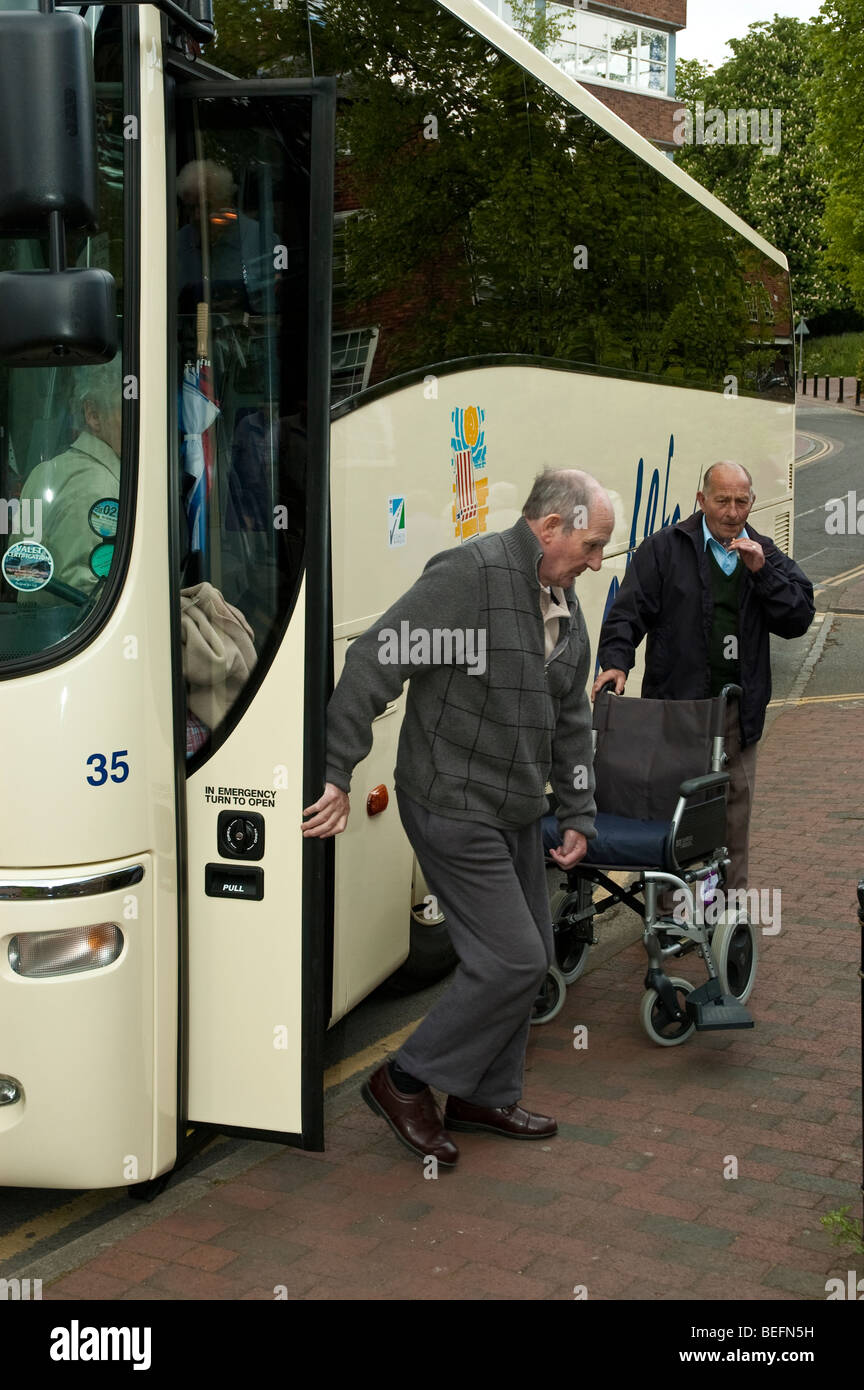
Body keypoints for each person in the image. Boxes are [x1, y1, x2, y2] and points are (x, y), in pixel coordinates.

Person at [303, 470, 614, 1166]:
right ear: (550, 526)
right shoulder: (470, 576)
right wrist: (337, 770)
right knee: (513, 957)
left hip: (515, 806)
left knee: (525, 956)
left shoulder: (562, 597)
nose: (597, 562)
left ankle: (480, 1094)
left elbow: (570, 719)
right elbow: (375, 659)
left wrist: (578, 811)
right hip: (449, 798)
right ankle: (403, 1079)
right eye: (591, 545)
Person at [592, 461, 814, 892]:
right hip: (677, 709)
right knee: (670, 814)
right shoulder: (664, 549)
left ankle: (730, 916)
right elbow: (628, 612)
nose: (732, 512)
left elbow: (798, 617)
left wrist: (762, 572)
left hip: (737, 713)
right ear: (702, 500)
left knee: (733, 817)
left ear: (751, 502)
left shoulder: (763, 551)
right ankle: (668, 912)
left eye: (741, 501)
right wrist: (616, 661)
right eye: (722, 500)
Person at [11, 361, 122, 605]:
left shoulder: (43, 472)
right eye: (128, 409)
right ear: (93, 415)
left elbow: (16, 564)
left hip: (35, 632)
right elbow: (85, 599)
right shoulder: (99, 488)